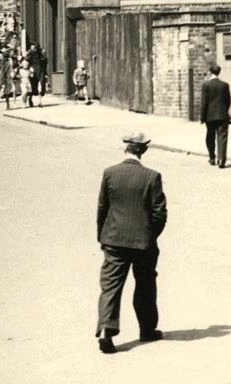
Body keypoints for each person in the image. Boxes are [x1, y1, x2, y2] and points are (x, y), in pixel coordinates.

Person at [95, 132, 167, 354]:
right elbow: (159, 214)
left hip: (114, 239)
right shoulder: (152, 177)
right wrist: (150, 236)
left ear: (125, 148)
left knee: (110, 286)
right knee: (145, 284)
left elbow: (102, 208)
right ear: (143, 150)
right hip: (143, 242)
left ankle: (106, 330)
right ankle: (147, 330)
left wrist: (102, 236)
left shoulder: (110, 173)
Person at [199, 63, 231, 168]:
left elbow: (204, 102)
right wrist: (225, 111)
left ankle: (212, 157)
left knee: (210, 137)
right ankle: (221, 160)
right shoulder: (225, 85)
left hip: (210, 116)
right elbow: (228, 101)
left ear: (210, 72)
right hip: (222, 115)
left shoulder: (206, 85)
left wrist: (202, 117)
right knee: (222, 137)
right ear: (219, 72)